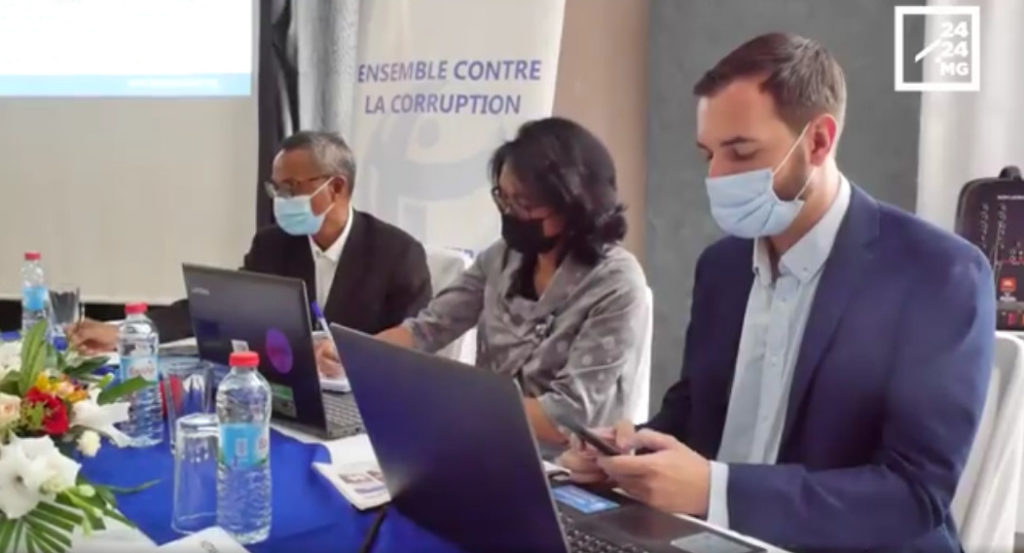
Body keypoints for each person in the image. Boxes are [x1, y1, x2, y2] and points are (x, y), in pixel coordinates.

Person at [558, 33, 994, 552]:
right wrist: (627, 454)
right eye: (708, 155)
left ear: (818, 142)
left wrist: (717, 491)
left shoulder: (937, 275)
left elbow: (913, 495)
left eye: (740, 151)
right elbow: (694, 411)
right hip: (709, 537)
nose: (717, 176)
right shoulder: (722, 267)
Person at [377, 117, 649, 455]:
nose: (509, 213)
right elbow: (429, 328)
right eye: (503, 199)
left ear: (574, 202)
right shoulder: (503, 257)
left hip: (572, 466)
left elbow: (567, 417)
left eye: (524, 204)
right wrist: (355, 355)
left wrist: (456, 399)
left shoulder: (616, 282)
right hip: (483, 442)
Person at [69, 131, 432, 377]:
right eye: (277, 189)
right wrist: (129, 332)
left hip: (363, 407)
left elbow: (413, 349)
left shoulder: (398, 254)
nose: (281, 200)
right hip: (282, 396)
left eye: (291, 188)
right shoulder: (273, 245)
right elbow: (218, 307)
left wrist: (346, 358)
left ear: (335, 187)